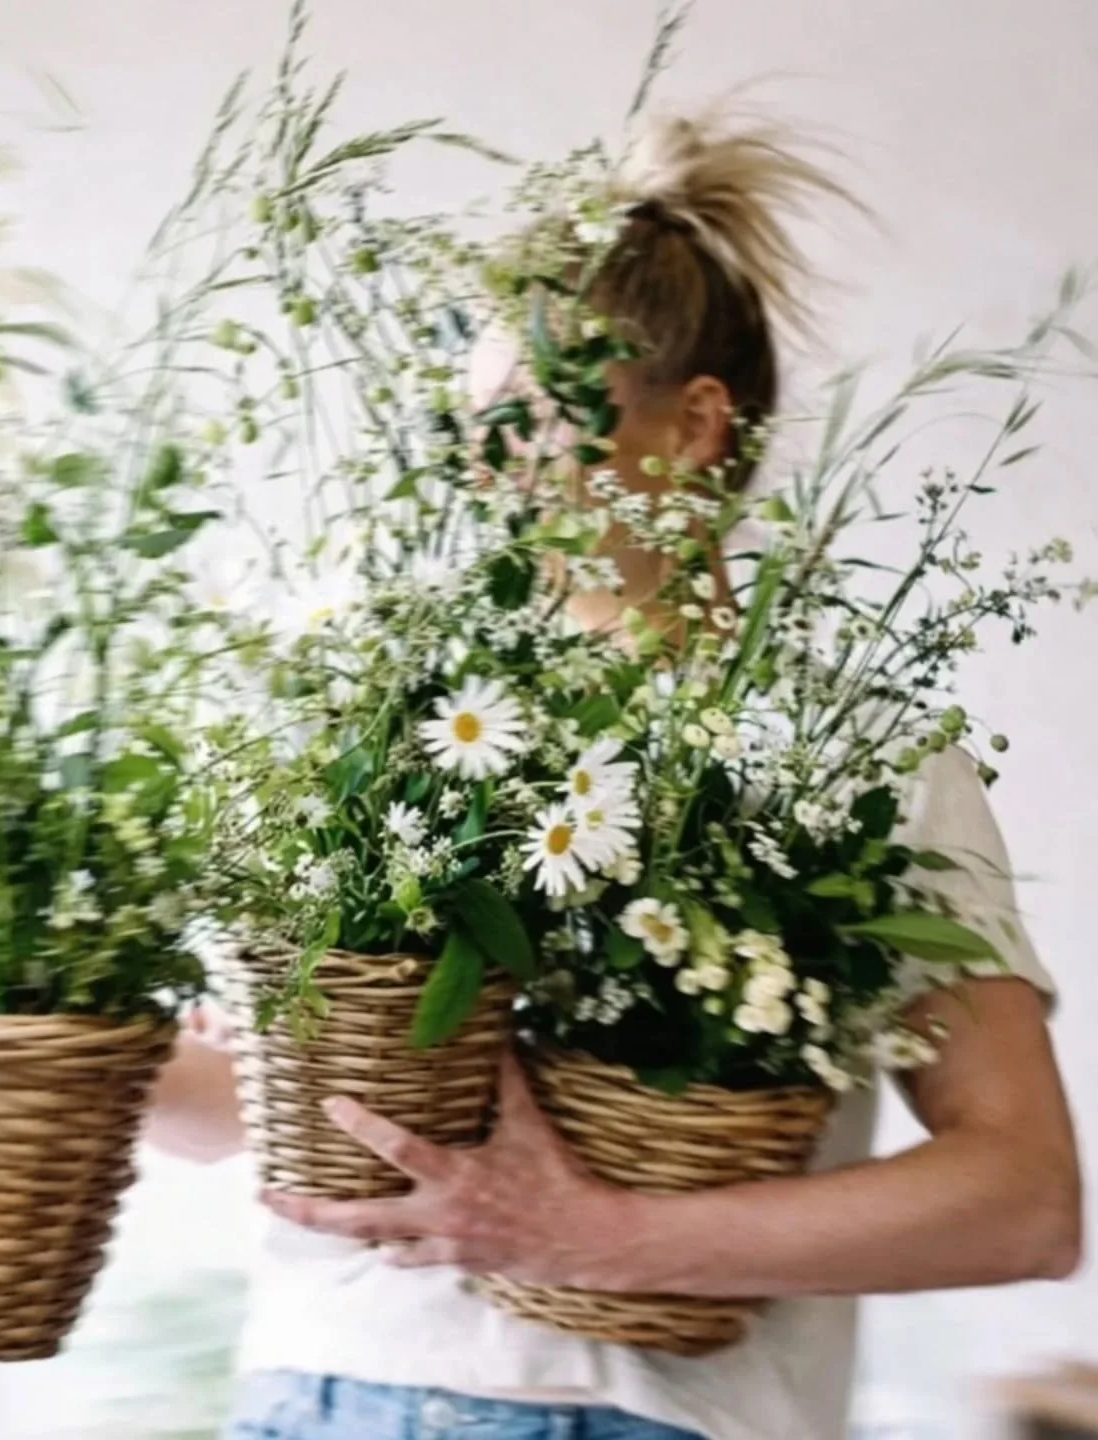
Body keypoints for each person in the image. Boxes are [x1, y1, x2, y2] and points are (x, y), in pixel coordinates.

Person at [147, 112, 1083, 1440]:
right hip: (315, 1396)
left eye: (529, 420)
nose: (480, 472)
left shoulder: (850, 757)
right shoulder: (393, 734)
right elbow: (245, 1100)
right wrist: (46, 1021)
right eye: (468, 428)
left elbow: (1023, 1201)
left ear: (696, 427)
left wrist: (598, 1235)